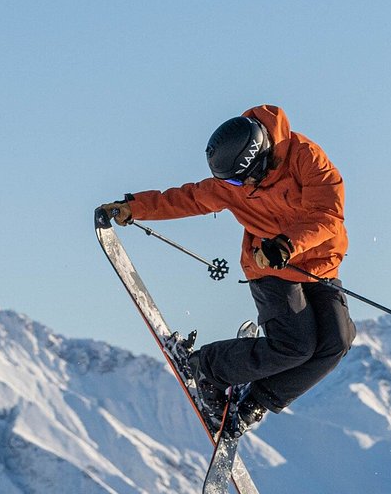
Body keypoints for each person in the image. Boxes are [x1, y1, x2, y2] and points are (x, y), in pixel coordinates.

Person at [102, 104, 355, 434]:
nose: (239, 186)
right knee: (295, 345)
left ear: (260, 159)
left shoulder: (306, 159)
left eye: (242, 177)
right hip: (269, 268)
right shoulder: (234, 185)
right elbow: (188, 198)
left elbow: (327, 216)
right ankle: (206, 368)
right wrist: (134, 207)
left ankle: (254, 402)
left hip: (317, 265)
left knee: (336, 342)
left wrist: (287, 244)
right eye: (231, 181)